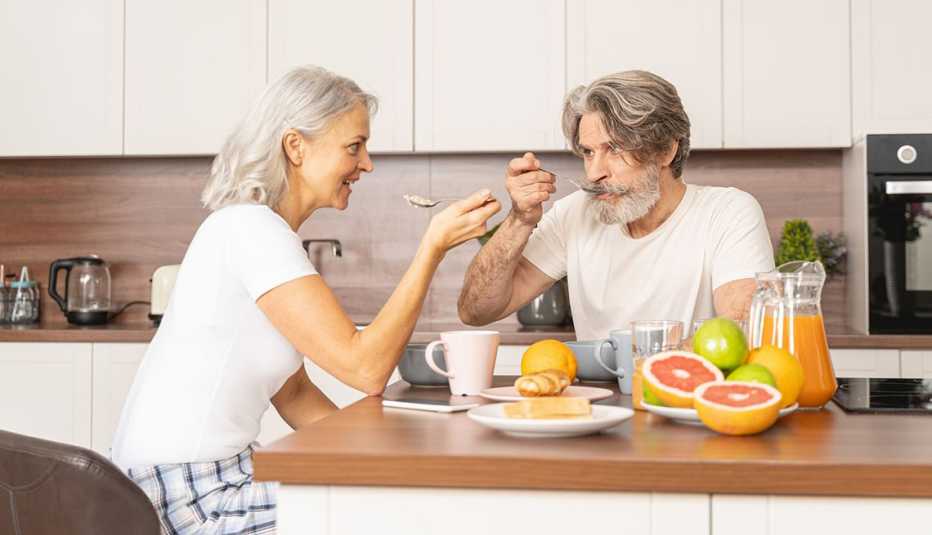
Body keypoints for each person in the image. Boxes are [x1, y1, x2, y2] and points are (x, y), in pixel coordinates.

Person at [110, 66, 500, 534]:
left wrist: (387, 457)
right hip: (190, 494)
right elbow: (365, 369)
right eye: (354, 146)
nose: (367, 163)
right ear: (296, 146)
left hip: (218, 476)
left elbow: (294, 394)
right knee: (399, 517)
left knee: (392, 500)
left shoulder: (256, 232)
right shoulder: (252, 230)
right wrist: (431, 247)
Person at [458, 70, 774, 340]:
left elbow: (742, 327)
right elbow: (476, 311)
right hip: (596, 409)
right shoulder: (574, 214)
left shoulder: (727, 213)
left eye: (615, 148)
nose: (595, 172)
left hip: (688, 403)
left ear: (666, 150)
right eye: (588, 152)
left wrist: (644, 364)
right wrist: (520, 220)